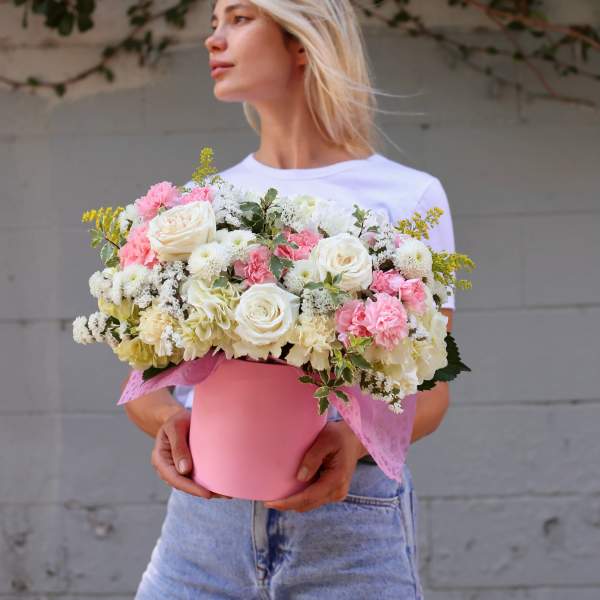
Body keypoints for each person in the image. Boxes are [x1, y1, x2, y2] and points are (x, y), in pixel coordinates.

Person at [125, 0, 456, 597]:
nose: (213, 39)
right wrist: (172, 424)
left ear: (302, 41)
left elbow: (429, 393)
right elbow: (145, 380)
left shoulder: (408, 197)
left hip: (350, 532)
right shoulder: (199, 206)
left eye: (239, 18)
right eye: (213, 23)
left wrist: (351, 442)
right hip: (202, 536)